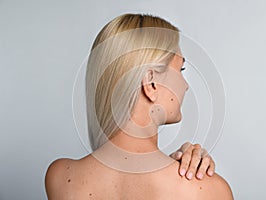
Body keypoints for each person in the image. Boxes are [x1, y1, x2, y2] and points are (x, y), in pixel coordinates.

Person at [45, 13, 233, 199]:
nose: (186, 85)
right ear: (151, 83)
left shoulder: (61, 177)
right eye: (180, 69)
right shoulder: (209, 190)